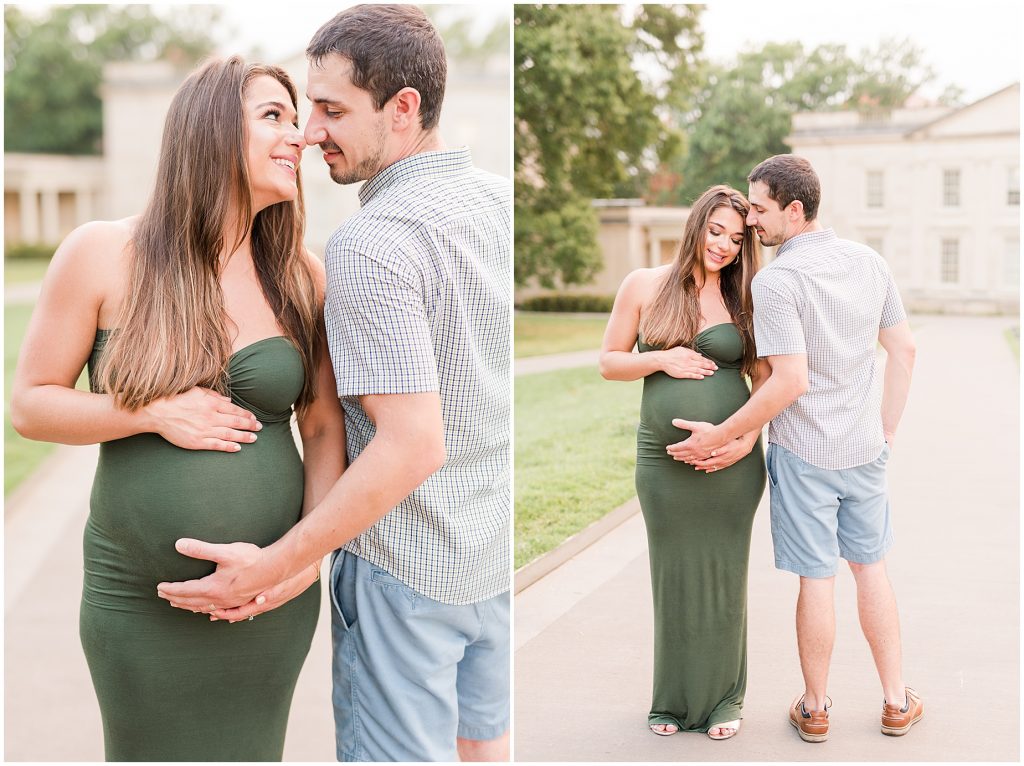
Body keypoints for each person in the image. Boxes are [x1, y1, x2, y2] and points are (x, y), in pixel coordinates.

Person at [155, 6, 512, 762]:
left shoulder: (373, 242)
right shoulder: (495, 204)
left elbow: (411, 445)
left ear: (404, 109)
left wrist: (278, 564)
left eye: (332, 110)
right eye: (303, 109)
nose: (311, 132)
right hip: (489, 563)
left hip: (406, 575)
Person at [10, 56, 346, 760]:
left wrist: (301, 561)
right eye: (274, 116)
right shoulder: (103, 253)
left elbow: (320, 426)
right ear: (210, 131)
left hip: (268, 599)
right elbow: (32, 406)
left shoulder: (300, 273)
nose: (302, 136)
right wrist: (147, 412)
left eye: (297, 119)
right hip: (137, 603)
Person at [668, 154, 920, 743]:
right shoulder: (869, 261)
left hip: (804, 455)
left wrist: (722, 433)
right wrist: (886, 431)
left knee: (817, 580)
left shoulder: (777, 281)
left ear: (795, 210)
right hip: (862, 451)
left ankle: (815, 707)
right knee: (871, 569)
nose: (752, 220)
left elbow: (788, 381)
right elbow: (904, 351)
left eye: (759, 208)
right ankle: (895, 700)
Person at [599, 185, 768, 740]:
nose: (723, 245)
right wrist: (662, 358)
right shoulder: (643, 284)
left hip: (732, 461)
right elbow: (609, 362)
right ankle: (670, 700)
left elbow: (765, 383)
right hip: (662, 462)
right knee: (670, 576)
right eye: (716, 231)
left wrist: (745, 440)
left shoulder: (747, 298)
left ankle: (723, 699)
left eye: (736, 239)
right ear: (697, 225)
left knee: (725, 576)